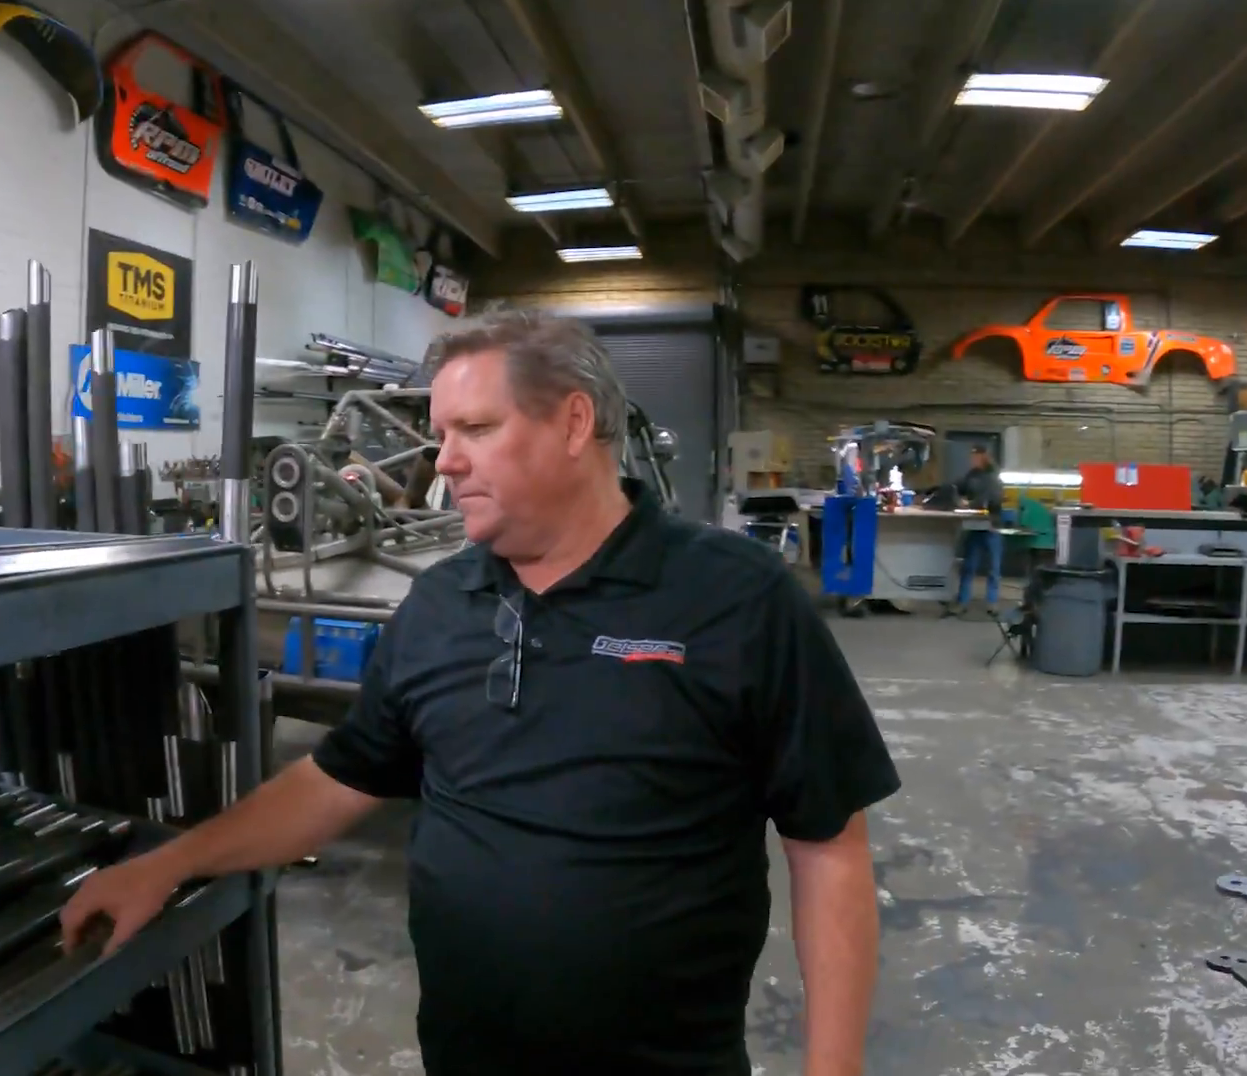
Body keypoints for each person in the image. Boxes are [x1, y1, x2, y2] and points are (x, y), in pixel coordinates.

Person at [61, 310, 901, 1075]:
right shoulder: (437, 604)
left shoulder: (737, 598)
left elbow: (827, 842)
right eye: (440, 433)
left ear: (574, 422)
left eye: (476, 429)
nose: (445, 460)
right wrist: (169, 865)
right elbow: (339, 778)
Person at [951, 445, 1006, 614]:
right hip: (974, 524)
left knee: (993, 567)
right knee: (969, 565)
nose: (972, 459)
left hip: (991, 525)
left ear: (983, 456)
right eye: (971, 456)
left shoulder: (993, 476)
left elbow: (992, 498)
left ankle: (992, 602)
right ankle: (963, 601)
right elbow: (959, 487)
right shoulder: (972, 475)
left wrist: (971, 504)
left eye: (975, 456)